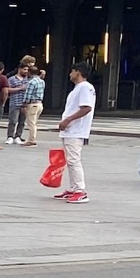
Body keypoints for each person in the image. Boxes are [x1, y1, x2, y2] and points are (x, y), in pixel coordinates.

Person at [54, 66, 95, 204]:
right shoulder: (79, 88)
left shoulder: (84, 87)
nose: (70, 74)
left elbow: (86, 107)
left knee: (73, 160)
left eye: (72, 71)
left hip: (76, 130)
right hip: (71, 130)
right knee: (71, 160)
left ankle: (80, 190)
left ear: (78, 72)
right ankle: (73, 188)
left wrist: (68, 119)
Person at [17, 64, 46, 146]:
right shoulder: (41, 81)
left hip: (32, 104)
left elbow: (28, 95)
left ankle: (32, 140)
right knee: (34, 122)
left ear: (30, 72)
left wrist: (23, 105)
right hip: (39, 103)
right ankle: (32, 138)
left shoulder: (31, 82)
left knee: (31, 123)